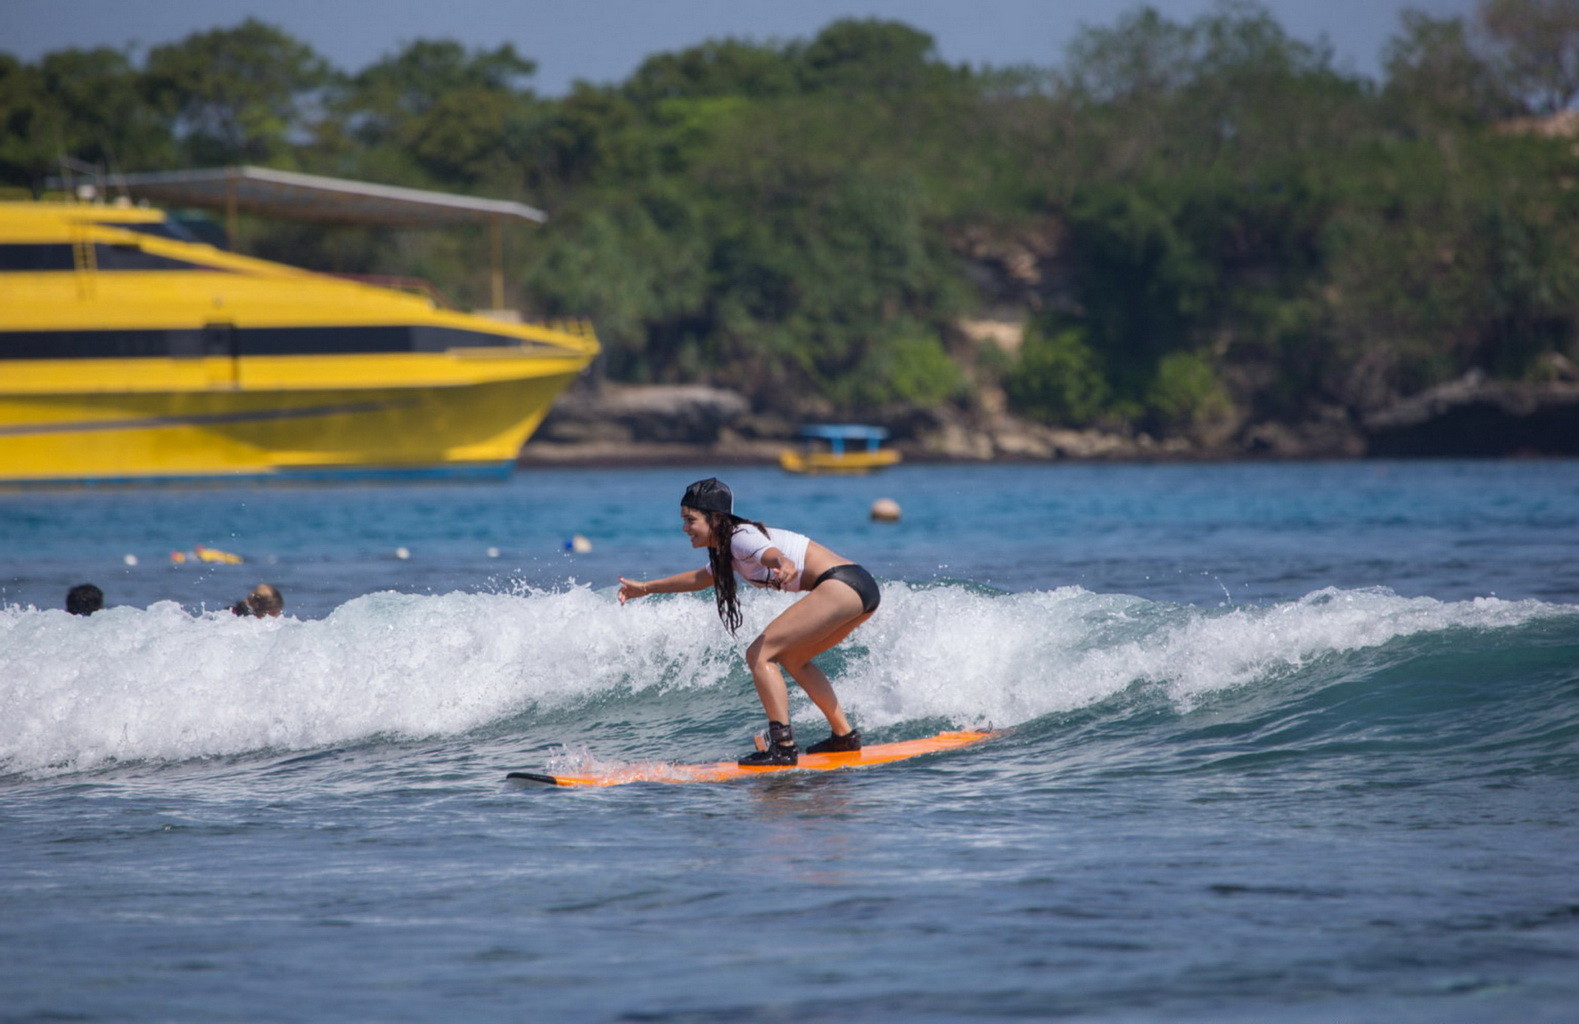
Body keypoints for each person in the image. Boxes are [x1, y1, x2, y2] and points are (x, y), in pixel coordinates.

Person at [618, 477, 881, 766]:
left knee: (759, 655)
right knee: (794, 659)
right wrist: (645, 588)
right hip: (859, 587)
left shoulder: (742, 535)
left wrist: (783, 563)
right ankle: (844, 737)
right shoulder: (729, 550)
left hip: (842, 585)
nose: (685, 528)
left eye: (690, 520)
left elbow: (770, 554)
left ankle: (783, 747)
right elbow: (700, 579)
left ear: (715, 519)